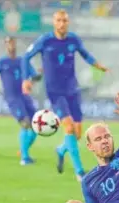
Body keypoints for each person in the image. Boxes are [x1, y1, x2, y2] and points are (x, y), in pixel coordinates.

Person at [21, 9, 109, 182]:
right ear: (54, 22)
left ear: (68, 22)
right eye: (59, 20)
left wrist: (98, 65)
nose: (62, 23)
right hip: (55, 92)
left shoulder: (73, 39)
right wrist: (26, 79)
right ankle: (80, 172)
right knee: (68, 128)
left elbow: (85, 54)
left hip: (72, 90)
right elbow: (25, 57)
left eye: (65, 20)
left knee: (76, 134)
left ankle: (61, 150)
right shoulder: (45, 40)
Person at [0, 36, 41, 165]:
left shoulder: (23, 61)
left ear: (15, 44)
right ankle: (24, 158)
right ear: (5, 45)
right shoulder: (1, 62)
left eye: (12, 42)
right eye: (8, 43)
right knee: (25, 123)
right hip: (12, 98)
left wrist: (36, 77)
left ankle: (23, 149)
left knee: (36, 126)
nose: (10, 45)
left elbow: (35, 77)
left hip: (25, 97)